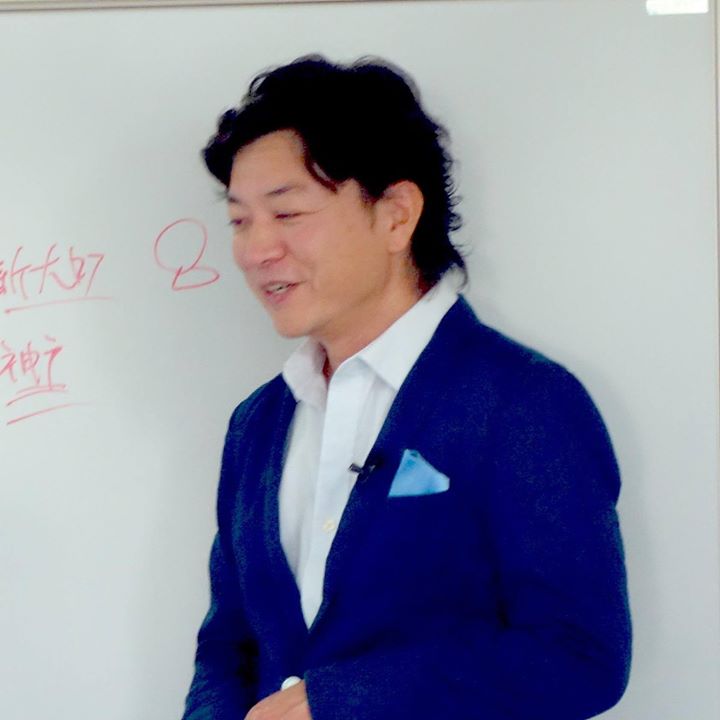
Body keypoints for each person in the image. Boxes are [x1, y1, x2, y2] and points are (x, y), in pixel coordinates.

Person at [182, 55, 631, 720]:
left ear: (396, 215)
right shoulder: (257, 423)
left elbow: (580, 656)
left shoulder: (523, 403)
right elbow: (228, 648)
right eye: (240, 221)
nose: (255, 251)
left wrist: (342, 700)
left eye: (288, 213)